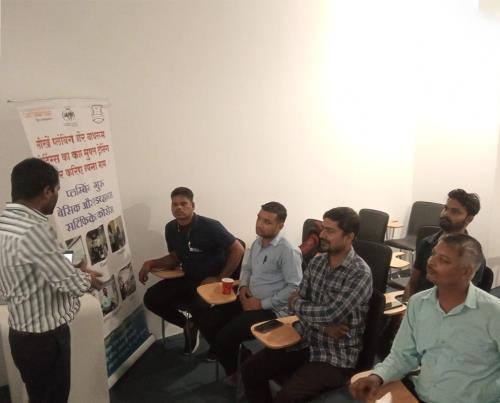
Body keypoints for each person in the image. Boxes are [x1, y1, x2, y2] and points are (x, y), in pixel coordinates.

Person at [242, 207, 373, 403]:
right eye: (323, 228)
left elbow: (330, 313)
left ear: (349, 237)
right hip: (304, 338)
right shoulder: (317, 262)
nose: (322, 235)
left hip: (335, 354)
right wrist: (324, 326)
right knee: (250, 369)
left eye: (330, 231)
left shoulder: (359, 273)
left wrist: (302, 305)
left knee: (287, 397)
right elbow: (293, 302)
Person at [350, 234, 500, 403]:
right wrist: (377, 377)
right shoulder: (418, 303)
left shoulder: (494, 312)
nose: (431, 262)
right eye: (433, 254)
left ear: (467, 272)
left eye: (443, 260)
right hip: (421, 396)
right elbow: (402, 355)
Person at [0, 158, 103, 403]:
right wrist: (88, 278)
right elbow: (70, 283)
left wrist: (73, 262)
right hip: (44, 339)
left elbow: (43, 258)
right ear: (47, 191)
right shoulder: (33, 229)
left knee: (39, 396)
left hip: (22, 334)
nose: (57, 196)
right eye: (57, 190)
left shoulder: (7, 222)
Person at [197, 201, 302, 383]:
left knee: (225, 336)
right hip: (248, 300)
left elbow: (294, 288)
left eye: (267, 222)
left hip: (272, 310)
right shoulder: (257, 242)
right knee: (206, 320)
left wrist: (260, 304)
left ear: (280, 226)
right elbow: (246, 268)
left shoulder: (288, 250)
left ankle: (240, 372)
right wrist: (243, 287)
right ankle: (243, 363)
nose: (260, 224)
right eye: (259, 218)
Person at [139, 187, 244, 355]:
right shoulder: (170, 228)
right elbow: (175, 257)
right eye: (174, 204)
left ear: (192, 205)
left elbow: (238, 249)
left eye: (183, 204)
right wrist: (151, 263)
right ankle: (189, 325)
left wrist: (220, 278)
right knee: (151, 298)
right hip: (187, 277)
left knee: (198, 307)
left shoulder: (211, 226)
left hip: (210, 282)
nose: (179, 208)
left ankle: (218, 344)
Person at [404, 189, 484, 300]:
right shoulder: (427, 242)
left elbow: (466, 297)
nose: (445, 214)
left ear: (469, 219)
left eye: (455, 211)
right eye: (445, 208)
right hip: (420, 303)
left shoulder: (472, 256)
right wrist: (408, 306)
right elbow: (412, 282)